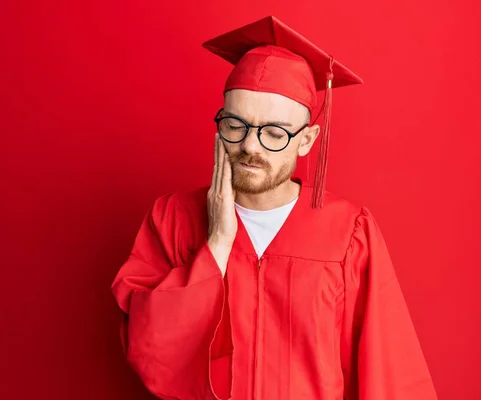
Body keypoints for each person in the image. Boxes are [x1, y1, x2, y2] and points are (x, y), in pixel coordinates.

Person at [111, 16, 438, 400]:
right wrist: (216, 244)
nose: (251, 146)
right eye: (236, 125)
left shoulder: (350, 233)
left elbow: (389, 370)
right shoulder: (173, 219)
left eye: (274, 133)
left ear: (306, 140)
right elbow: (149, 348)